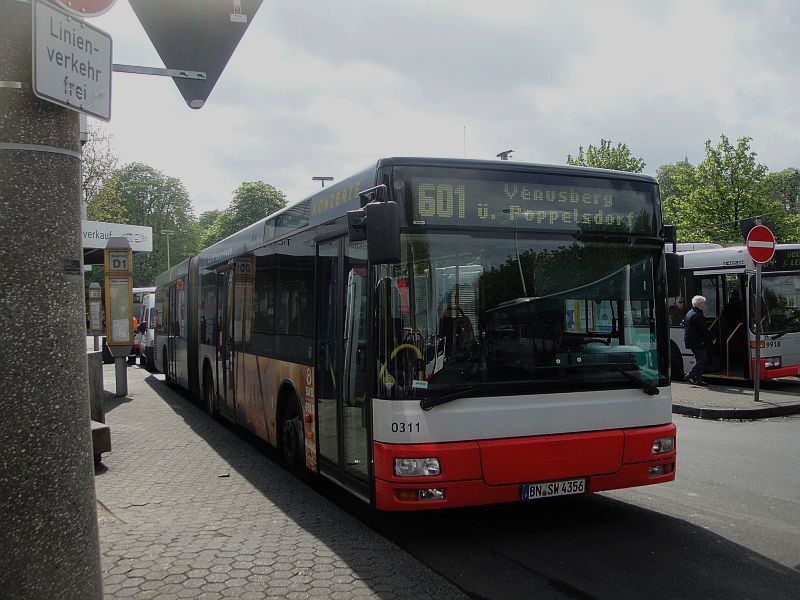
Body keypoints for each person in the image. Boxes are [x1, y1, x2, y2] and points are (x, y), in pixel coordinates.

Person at [683, 295, 713, 385]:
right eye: (703, 304)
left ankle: (698, 380)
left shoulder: (689, 313)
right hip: (697, 342)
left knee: (698, 359)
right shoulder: (698, 315)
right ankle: (690, 375)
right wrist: (712, 337)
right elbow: (704, 330)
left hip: (690, 341)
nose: (704, 306)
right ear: (699, 304)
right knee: (703, 358)